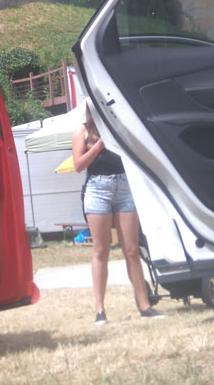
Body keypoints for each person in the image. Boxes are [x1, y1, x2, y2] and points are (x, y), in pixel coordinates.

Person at [73, 108, 163, 323]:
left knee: (131, 249)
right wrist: (99, 145)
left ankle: (145, 306)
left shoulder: (118, 125)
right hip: (97, 188)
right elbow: (78, 165)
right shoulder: (83, 131)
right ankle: (100, 311)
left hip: (124, 185)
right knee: (100, 250)